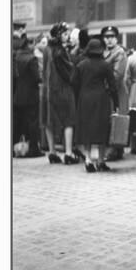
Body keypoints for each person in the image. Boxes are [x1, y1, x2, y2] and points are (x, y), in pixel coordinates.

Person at [74, 38, 119, 172]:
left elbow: (73, 82)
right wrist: (116, 103)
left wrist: (79, 97)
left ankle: (88, 159)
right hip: (101, 99)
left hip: (85, 98)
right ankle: (100, 160)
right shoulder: (105, 65)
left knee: (87, 128)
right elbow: (112, 86)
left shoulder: (81, 65)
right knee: (102, 128)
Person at [42, 22, 78, 165]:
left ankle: (52, 152)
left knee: (48, 121)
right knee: (68, 120)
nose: (67, 36)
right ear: (58, 35)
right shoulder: (60, 51)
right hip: (62, 89)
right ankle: (68, 153)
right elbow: (69, 72)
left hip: (47, 89)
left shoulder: (46, 49)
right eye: (64, 34)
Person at [13, 36, 44, 157]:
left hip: (18, 95)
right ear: (29, 45)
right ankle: (33, 149)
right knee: (33, 123)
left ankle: (15, 148)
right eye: (33, 44)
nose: (34, 47)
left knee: (19, 123)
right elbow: (36, 78)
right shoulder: (32, 59)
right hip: (31, 95)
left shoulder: (16, 57)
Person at [101, 26, 128, 161]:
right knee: (110, 119)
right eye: (106, 37)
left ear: (116, 38)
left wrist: (104, 85)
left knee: (118, 118)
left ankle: (115, 149)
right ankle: (115, 149)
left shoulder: (119, 52)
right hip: (108, 90)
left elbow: (117, 74)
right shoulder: (103, 52)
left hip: (116, 90)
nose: (109, 40)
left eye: (112, 37)